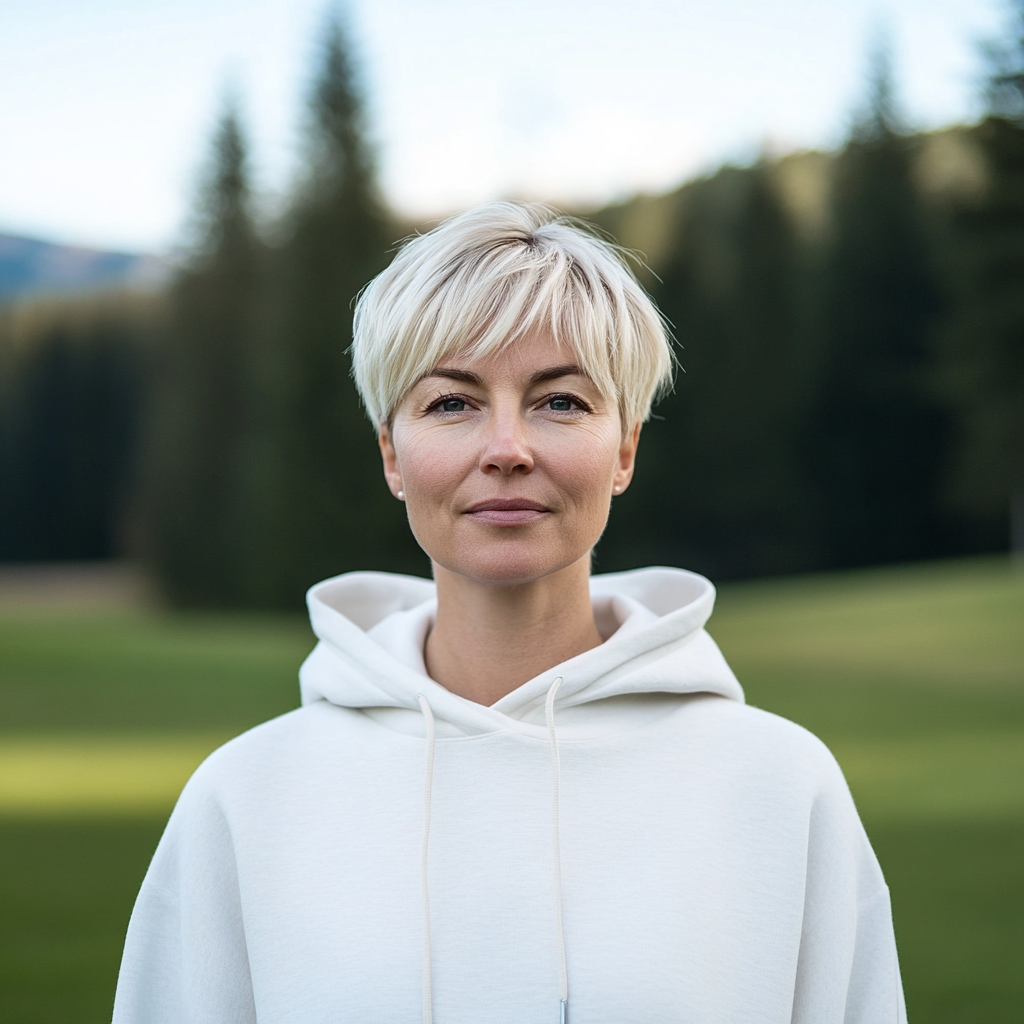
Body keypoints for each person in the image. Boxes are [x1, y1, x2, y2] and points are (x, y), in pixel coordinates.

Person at [113, 202, 906, 1023]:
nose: (507, 448)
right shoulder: (245, 798)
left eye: (560, 401)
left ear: (625, 449)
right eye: (452, 403)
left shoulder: (779, 785)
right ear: (391, 453)